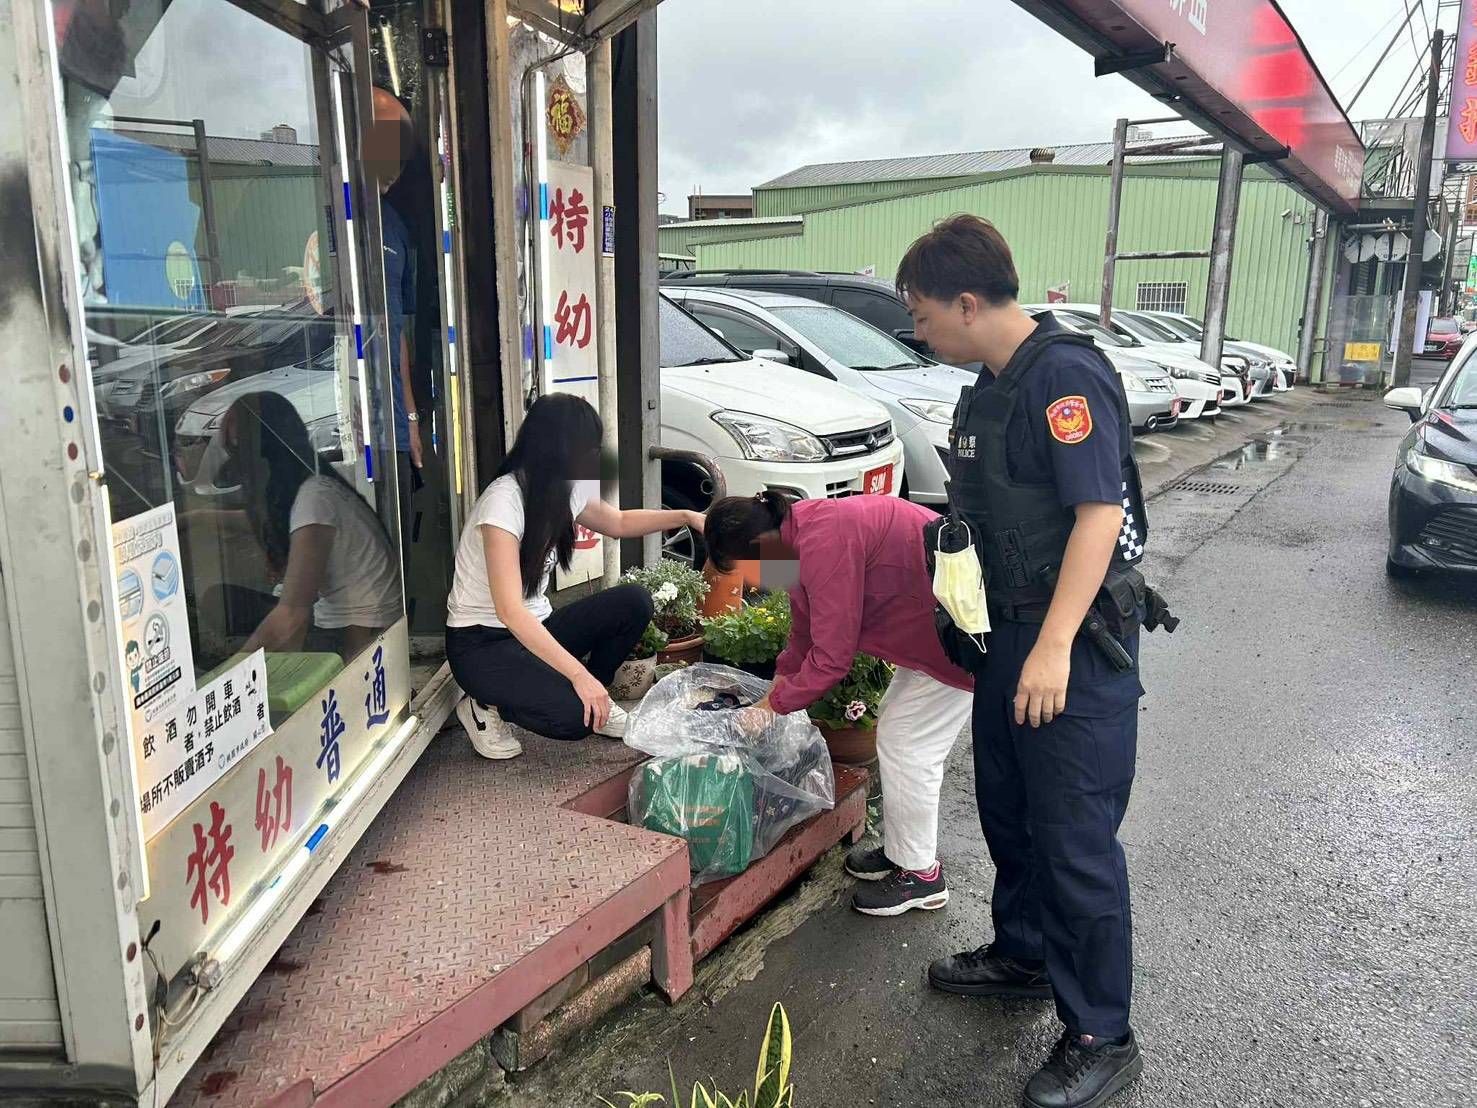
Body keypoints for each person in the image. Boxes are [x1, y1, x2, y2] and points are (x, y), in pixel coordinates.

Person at [899, 215, 1174, 1108]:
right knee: (1010, 811)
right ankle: (1023, 955)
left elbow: (1098, 514)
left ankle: (1102, 1034)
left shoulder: (1063, 376)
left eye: (924, 315)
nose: (918, 332)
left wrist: (1052, 646)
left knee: (1074, 842)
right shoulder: (984, 387)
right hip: (1006, 635)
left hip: (1072, 641)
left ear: (969, 302)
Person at [703, 491, 973, 917]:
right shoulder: (797, 537)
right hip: (929, 628)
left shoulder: (822, 543)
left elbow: (832, 658)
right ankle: (906, 852)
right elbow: (806, 632)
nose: (751, 585)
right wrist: (778, 684)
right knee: (900, 739)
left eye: (745, 573)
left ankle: (921, 875)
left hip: (956, 632)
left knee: (908, 746)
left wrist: (774, 707)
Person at [445, 394, 705, 760]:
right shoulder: (503, 502)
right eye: (589, 449)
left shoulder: (565, 487)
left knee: (634, 601)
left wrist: (686, 516)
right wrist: (579, 677)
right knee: (574, 721)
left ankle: (591, 695)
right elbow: (510, 612)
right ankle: (485, 705)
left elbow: (617, 522)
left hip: (537, 628)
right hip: (482, 645)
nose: (595, 458)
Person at [209, 391, 402, 664]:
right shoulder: (312, 485)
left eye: (240, 450)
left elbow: (292, 615)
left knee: (222, 603)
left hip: (353, 636)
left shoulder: (314, 499)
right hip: (358, 624)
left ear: (262, 453)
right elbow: (274, 523)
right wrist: (196, 517)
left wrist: (232, 673)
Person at [367, 87, 421, 565]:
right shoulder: (328, 215)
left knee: (394, 555)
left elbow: (398, 330)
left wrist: (411, 418)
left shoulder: (395, 227)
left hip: (391, 432)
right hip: (339, 427)